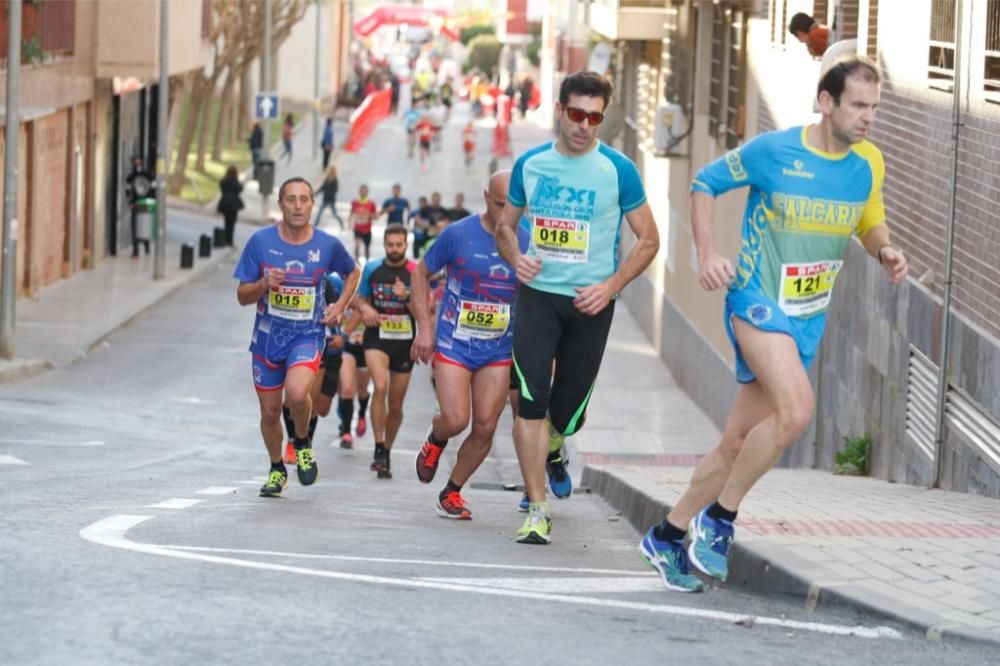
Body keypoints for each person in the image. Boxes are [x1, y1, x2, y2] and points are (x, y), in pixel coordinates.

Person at [638, 54, 908, 593]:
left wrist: (885, 250)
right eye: (858, 105)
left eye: (874, 107)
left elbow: (869, 218)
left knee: (738, 441)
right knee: (798, 409)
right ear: (825, 102)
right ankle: (719, 520)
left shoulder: (868, 163)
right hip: (756, 300)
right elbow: (704, 183)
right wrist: (708, 252)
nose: (868, 117)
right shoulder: (774, 151)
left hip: (806, 317)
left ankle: (666, 536)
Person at [494, 71, 660, 545]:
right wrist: (516, 257)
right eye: (576, 114)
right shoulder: (531, 165)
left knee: (566, 414)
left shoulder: (618, 170)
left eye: (594, 117)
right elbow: (505, 227)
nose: (584, 125)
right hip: (539, 299)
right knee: (530, 402)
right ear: (560, 111)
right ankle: (537, 507)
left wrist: (610, 286)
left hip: (590, 305)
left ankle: (556, 444)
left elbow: (650, 240)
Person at [410, 170, 528, 519]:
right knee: (457, 418)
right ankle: (436, 437)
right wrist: (424, 329)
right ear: (485, 197)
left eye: (512, 206)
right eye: (498, 204)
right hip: (454, 342)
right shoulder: (458, 234)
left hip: (498, 348)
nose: (505, 212)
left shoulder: (526, 239)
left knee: (486, 426)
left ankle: (452, 491)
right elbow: (420, 273)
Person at [234, 177, 361, 497]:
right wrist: (264, 284)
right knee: (269, 412)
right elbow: (242, 296)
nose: (298, 206)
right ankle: (277, 468)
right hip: (266, 340)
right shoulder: (260, 242)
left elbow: (353, 271)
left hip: (307, 336)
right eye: (291, 200)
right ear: (280, 204)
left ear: (312, 204)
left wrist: (340, 306)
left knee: (296, 393)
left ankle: (301, 442)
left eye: (304, 199)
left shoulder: (326, 245)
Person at [354, 226, 418, 479]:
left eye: (399, 245)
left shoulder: (415, 271)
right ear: (383, 244)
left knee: (396, 404)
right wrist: (366, 310)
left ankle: (387, 451)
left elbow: (423, 312)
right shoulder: (371, 268)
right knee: (379, 386)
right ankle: (378, 447)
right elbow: (359, 299)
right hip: (376, 337)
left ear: (406, 245)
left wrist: (407, 297)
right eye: (390, 245)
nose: (394, 249)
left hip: (404, 341)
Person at [338, 308, 371, 448]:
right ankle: (347, 433)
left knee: (362, 390)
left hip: (367, 348)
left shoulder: (368, 293)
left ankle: (361, 414)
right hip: (347, 347)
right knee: (346, 389)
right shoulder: (340, 289)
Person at [124, 156, 153, 257]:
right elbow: (127, 191)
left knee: (145, 225)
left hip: (145, 204)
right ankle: (136, 250)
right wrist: (130, 202)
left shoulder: (148, 175)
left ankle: (146, 244)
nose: (137, 164)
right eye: (135, 162)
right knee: (135, 226)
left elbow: (152, 189)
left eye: (138, 161)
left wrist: (150, 202)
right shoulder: (131, 177)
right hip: (136, 204)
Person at [217, 165, 244, 247]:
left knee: (226, 222)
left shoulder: (224, 181)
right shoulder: (236, 183)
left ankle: (225, 240)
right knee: (232, 224)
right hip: (233, 205)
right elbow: (240, 189)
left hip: (225, 203)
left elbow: (222, 187)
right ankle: (230, 241)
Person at [350, 184, 377, 261]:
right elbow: (351, 212)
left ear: (367, 192)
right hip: (357, 229)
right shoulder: (354, 202)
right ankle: (356, 262)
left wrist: (368, 215)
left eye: (365, 191)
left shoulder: (371, 204)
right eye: (362, 191)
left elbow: (375, 217)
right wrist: (350, 222)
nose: (363, 193)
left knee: (367, 248)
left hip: (367, 230)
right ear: (359, 192)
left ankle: (367, 263)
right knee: (357, 246)